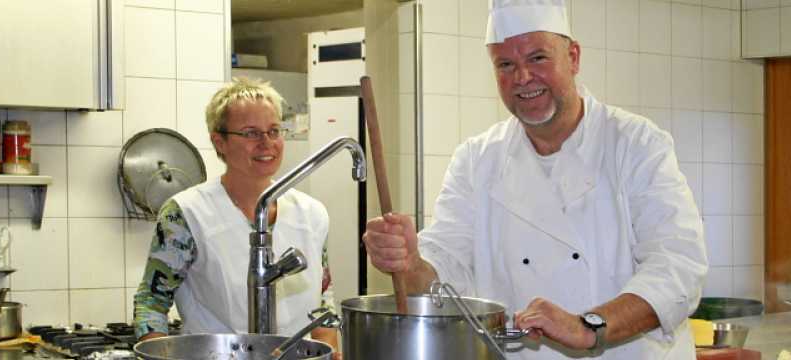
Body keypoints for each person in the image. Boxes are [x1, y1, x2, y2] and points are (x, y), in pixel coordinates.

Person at [361, 0, 708, 358]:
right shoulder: (477, 160)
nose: (522, 78)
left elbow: (678, 267)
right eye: (506, 64)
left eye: (538, 58)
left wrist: (590, 327)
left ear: (573, 57)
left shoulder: (636, 144)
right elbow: (446, 278)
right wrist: (409, 260)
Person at [133, 77, 341, 357]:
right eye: (251, 133)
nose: (267, 144)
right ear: (219, 142)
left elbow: (322, 300)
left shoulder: (312, 214)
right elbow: (151, 302)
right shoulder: (186, 214)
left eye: (274, 131)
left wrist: (330, 352)